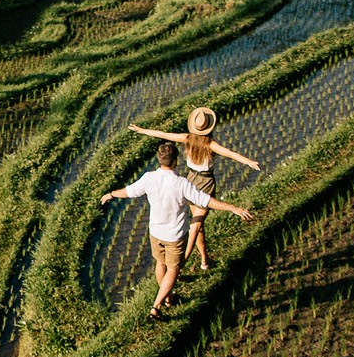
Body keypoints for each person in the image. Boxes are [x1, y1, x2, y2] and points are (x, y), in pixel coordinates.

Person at [99, 137, 252, 317]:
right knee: (173, 269)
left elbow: (128, 191)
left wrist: (110, 194)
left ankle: (169, 299)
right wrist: (233, 208)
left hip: (155, 232)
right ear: (176, 160)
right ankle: (156, 306)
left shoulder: (149, 178)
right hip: (175, 235)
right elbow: (207, 201)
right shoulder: (181, 183)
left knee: (160, 263)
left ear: (160, 159)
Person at [128, 106, 259, 272]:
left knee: (199, 225)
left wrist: (142, 130)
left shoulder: (187, 139)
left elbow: (163, 134)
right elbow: (230, 153)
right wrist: (249, 162)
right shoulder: (210, 144)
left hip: (191, 179)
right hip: (205, 181)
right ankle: (181, 264)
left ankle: (204, 260)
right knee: (195, 225)